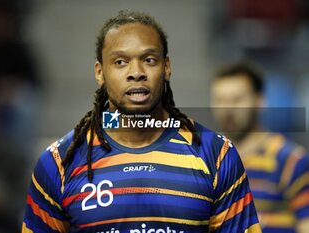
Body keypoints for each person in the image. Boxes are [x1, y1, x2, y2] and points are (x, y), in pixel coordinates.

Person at [22, 11, 261, 233]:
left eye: (149, 60)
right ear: (99, 73)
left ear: (166, 68)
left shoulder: (216, 155)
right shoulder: (59, 163)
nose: (136, 72)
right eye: (120, 62)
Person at [210, 62, 309, 233]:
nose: (227, 109)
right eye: (221, 100)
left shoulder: (291, 161)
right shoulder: (206, 161)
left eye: (237, 100)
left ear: (259, 101)